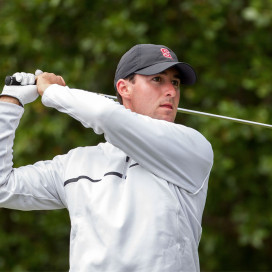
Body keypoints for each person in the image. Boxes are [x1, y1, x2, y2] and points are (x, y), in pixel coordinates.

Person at [0, 44, 213, 271]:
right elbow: (4, 186)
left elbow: (106, 115)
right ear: (124, 88)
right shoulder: (76, 163)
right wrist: (9, 102)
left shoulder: (192, 148)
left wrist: (52, 92)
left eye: (176, 83)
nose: (171, 91)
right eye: (158, 79)